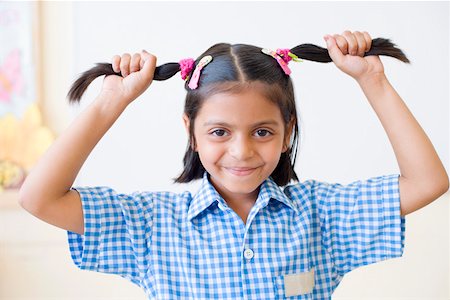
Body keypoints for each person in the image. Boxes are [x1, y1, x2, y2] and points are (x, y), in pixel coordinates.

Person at [19, 31, 448, 299]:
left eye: (262, 132)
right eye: (219, 132)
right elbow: (39, 198)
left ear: (288, 132)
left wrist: (372, 79)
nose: (241, 152)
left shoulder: (322, 214)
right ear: (191, 132)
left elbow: (427, 181)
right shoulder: (151, 224)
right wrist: (112, 99)